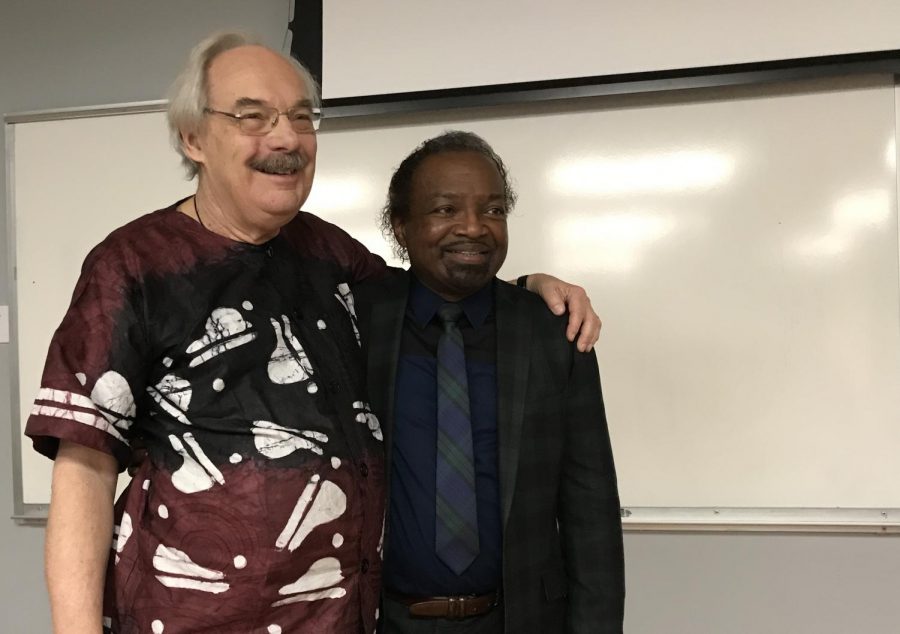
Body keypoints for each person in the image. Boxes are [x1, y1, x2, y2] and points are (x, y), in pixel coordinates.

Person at [24, 33, 601, 634]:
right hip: (188, 618)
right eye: (253, 116)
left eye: (302, 117)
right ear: (194, 138)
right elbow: (83, 466)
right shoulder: (133, 265)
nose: (286, 138)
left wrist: (528, 288)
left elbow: (436, 292)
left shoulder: (331, 255)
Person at [355, 132, 625, 633]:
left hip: (521, 620)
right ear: (401, 226)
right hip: (385, 621)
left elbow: (591, 513)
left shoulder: (554, 333)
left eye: (494, 210)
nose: (475, 228)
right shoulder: (357, 324)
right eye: (445, 210)